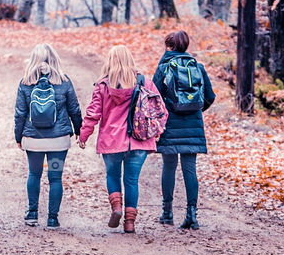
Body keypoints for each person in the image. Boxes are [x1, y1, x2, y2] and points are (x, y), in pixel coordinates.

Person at [78, 45, 166, 233]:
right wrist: (157, 131)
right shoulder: (144, 82)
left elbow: (93, 114)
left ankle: (116, 208)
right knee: (132, 180)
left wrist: (84, 135)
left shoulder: (103, 85)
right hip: (139, 140)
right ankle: (130, 223)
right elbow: (161, 110)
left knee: (112, 175)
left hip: (111, 140)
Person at [152, 30, 216, 229]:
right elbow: (210, 96)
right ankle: (192, 215)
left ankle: (167, 213)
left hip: (170, 125)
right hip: (192, 125)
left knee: (169, 166)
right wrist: (194, 109)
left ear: (169, 46)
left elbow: (154, 97)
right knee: (190, 169)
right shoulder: (197, 67)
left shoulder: (164, 68)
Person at [14, 43, 83, 228]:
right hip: (58, 142)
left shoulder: (25, 82)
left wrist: (18, 137)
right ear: (54, 59)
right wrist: (79, 131)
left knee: (34, 174)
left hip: (33, 141)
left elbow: (20, 113)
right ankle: (52, 218)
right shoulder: (64, 81)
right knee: (55, 177)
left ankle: (32, 214)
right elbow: (74, 109)